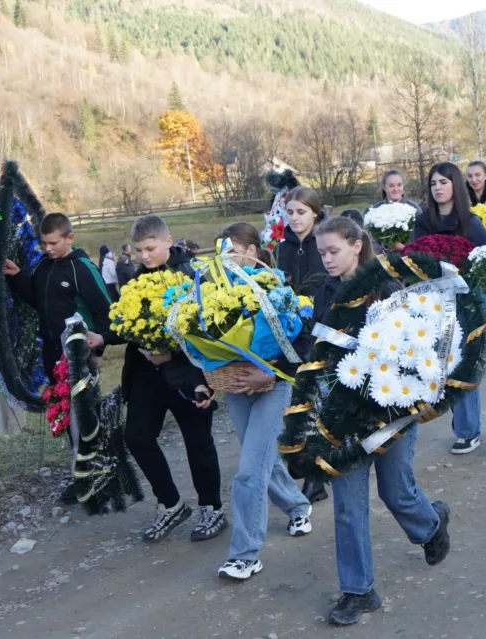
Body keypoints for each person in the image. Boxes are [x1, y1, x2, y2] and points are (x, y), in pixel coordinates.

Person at [311, 216, 451, 626]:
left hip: (388, 410)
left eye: (333, 251)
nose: (327, 259)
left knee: (396, 490)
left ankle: (430, 525)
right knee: (347, 505)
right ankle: (358, 591)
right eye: (322, 253)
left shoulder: (387, 289)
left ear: (357, 245)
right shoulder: (325, 292)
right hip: (341, 417)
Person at [86, 215, 226, 543]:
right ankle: (170, 503)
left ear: (168, 241)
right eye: (138, 250)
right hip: (146, 375)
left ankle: (212, 507)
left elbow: (207, 328)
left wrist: (172, 354)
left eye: (150, 248)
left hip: (186, 375)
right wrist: (103, 338)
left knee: (198, 441)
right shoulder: (137, 276)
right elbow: (129, 322)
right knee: (137, 437)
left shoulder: (191, 275)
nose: (144, 256)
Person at [213, 222, 314, 582]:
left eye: (231, 251)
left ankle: (245, 555)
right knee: (263, 461)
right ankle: (298, 506)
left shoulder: (277, 289)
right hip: (236, 385)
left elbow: (301, 345)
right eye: (221, 253)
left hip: (274, 386)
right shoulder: (215, 293)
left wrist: (271, 373)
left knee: (249, 470)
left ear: (251, 253)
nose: (224, 260)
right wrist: (205, 379)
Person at [4, 213, 113, 505]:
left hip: (79, 352)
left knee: (85, 416)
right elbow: (37, 300)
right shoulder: (43, 266)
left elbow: (105, 311)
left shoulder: (82, 269)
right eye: (43, 243)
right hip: (52, 352)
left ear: (69, 238)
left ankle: (96, 478)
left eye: (53, 243)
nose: (48, 248)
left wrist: (99, 350)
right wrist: (17, 277)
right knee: (68, 413)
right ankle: (84, 476)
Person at [414, 162, 486, 454]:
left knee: (465, 363)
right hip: (435, 300)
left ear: (455, 185)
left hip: (468, 299)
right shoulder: (423, 221)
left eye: (443, 182)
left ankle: (468, 430)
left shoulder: (472, 222)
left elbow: (481, 264)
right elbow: (415, 260)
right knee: (444, 363)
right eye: (433, 183)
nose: (438, 188)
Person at [275, 186, 330, 504]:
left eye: (301, 212)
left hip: (318, 327)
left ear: (315, 214)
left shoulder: (321, 244)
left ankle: (316, 477)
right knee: (297, 402)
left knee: (315, 402)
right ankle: (306, 465)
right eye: (290, 212)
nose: (295, 218)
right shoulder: (283, 247)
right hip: (291, 331)